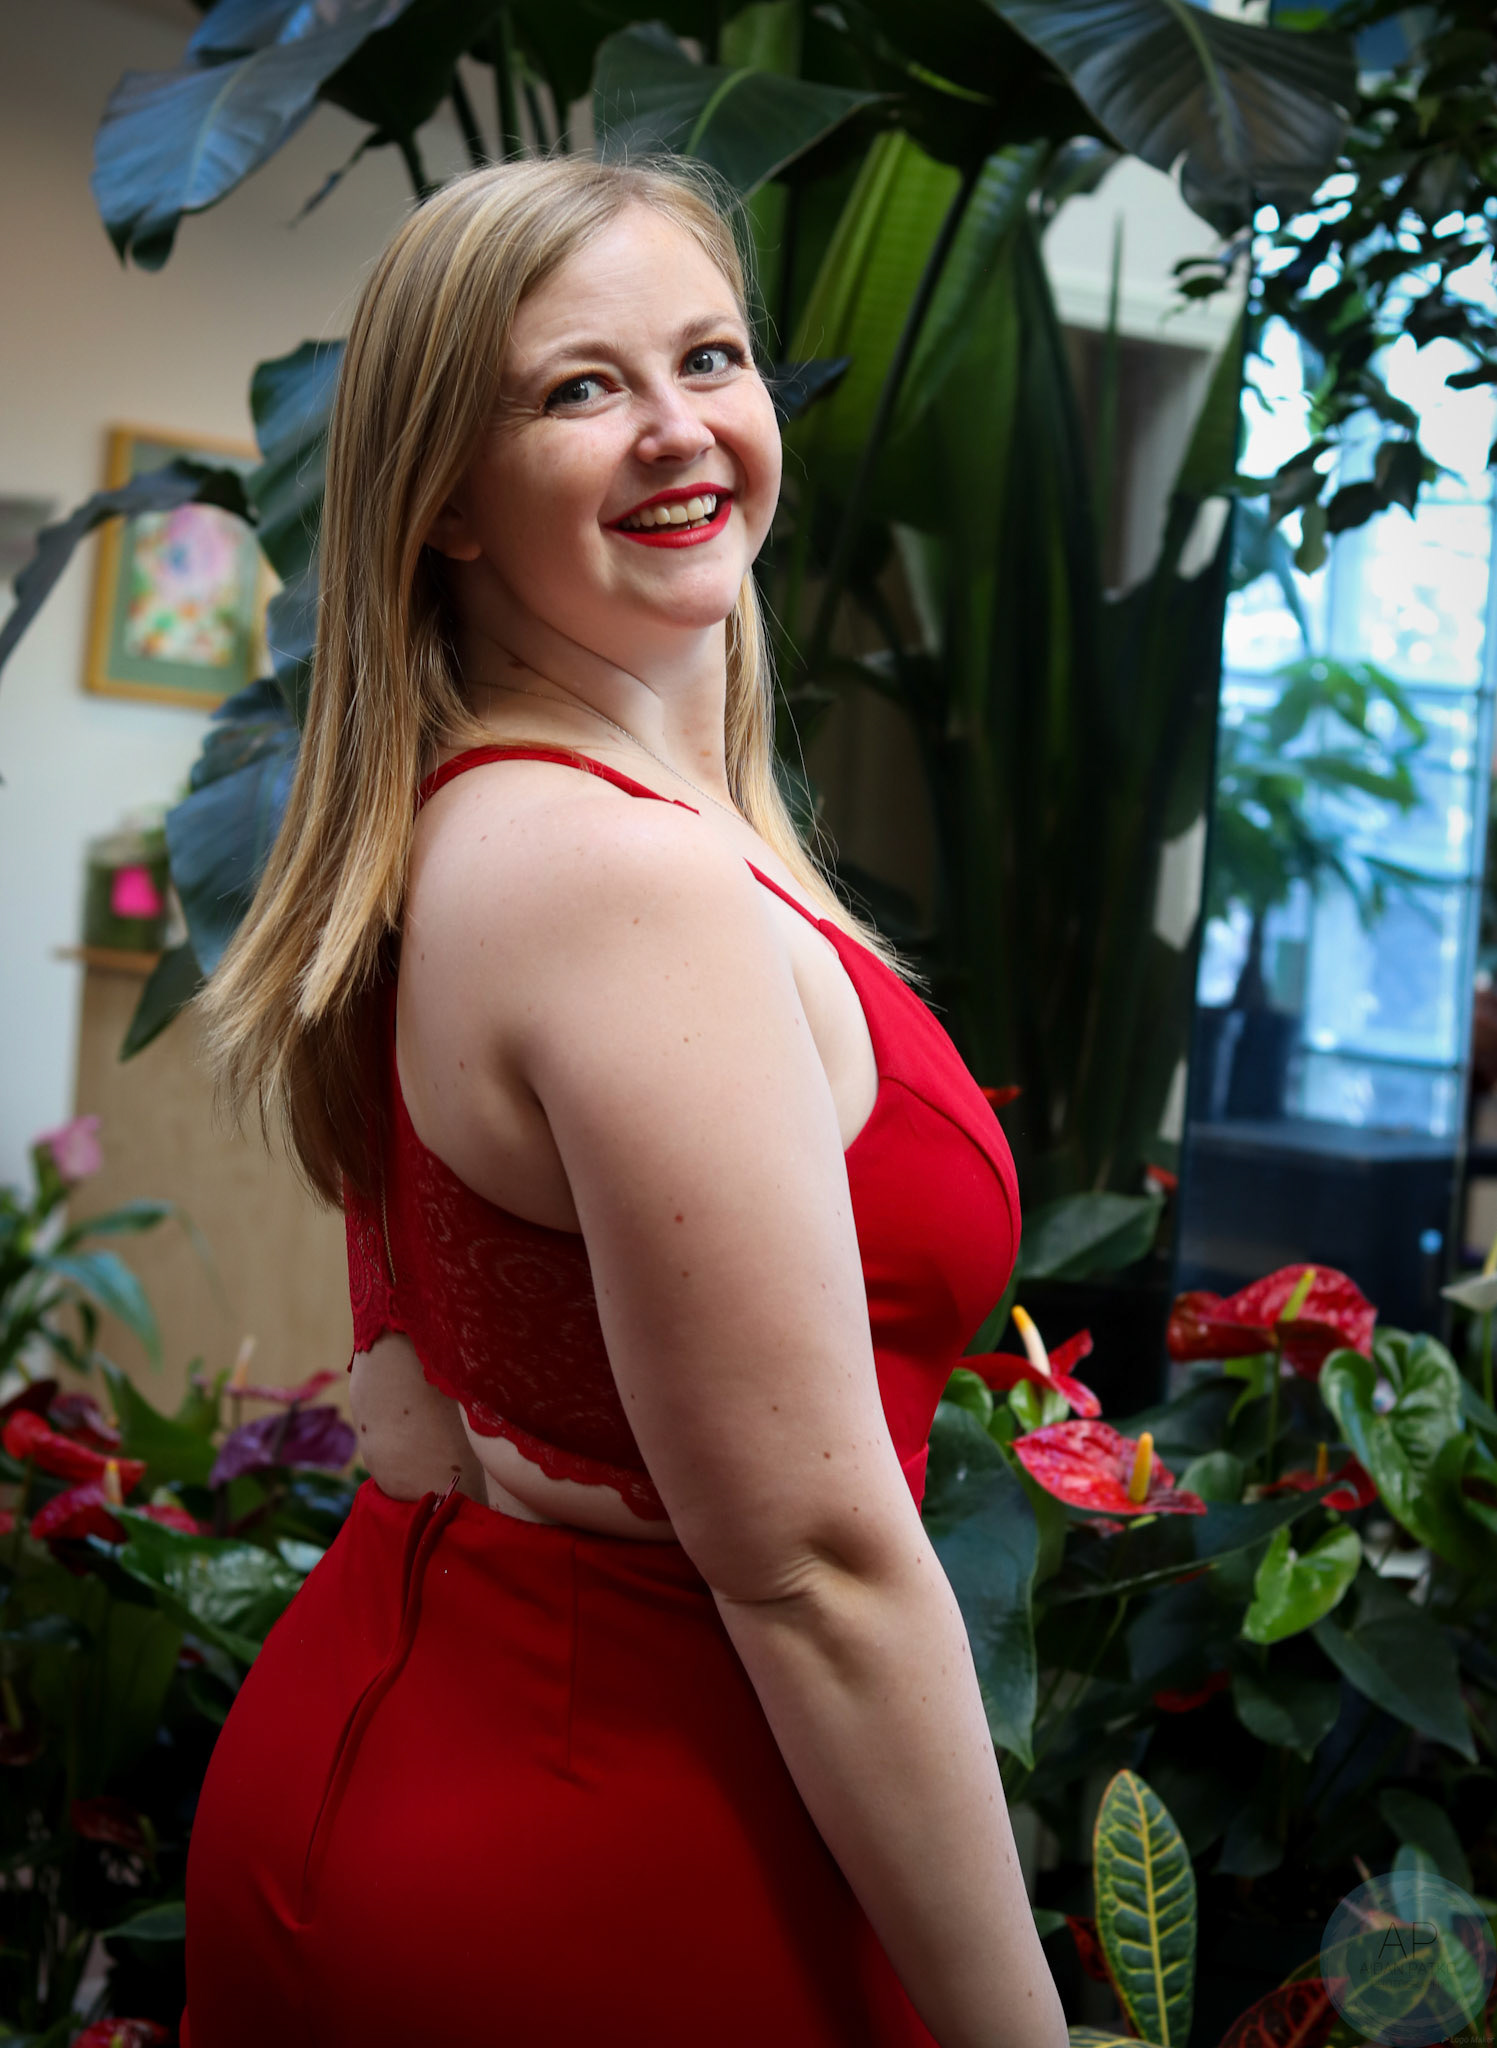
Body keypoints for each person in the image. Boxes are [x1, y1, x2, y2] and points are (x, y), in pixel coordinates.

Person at [182, 155, 1066, 2048]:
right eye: (580, 388)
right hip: (608, 1835)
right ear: (441, 497)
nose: (679, 428)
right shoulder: (612, 876)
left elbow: (423, 1394)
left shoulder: (484, 821)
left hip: (451, 1726)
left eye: (710, 356)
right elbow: (815, 1567)